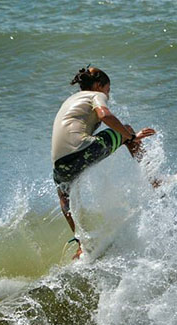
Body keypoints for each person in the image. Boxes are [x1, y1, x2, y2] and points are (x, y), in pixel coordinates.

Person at [51, 66, 156, 259]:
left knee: (64, 196)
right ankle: (154, 181)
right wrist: (131, 137)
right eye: (108, 89)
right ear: (99, 85)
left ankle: (81, 243)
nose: (108, 94)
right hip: (81, 151)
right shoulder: (94, 95)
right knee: (127, 130)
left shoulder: (70, 101)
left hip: (60, 166)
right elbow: (104, 115)